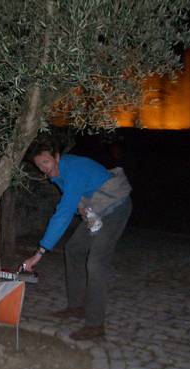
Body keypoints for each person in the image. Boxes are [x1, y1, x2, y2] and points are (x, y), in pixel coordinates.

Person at [21, 140, 132, 340]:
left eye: (46, 162)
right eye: (39, 165)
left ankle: (95, 324)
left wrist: (39, 253)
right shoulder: (57, 173)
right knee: (73, 249)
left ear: (56, 157)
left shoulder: (74, 169)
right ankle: (76, 307)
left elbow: (63, 212)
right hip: (95, 211)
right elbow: (73, 201)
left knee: (96, 263)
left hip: (115, 209)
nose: (44, 168)